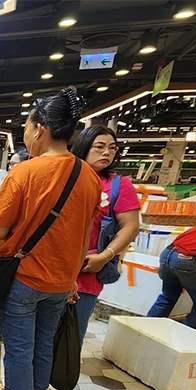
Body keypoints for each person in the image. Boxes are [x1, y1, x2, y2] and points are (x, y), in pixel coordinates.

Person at [0, 86, 101, 390]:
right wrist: (73, 277)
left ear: (40, 130)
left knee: (20, 351)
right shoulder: (89, 176)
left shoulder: (24, 171)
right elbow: (84, 236)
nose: (25, 136)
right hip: (62, 283)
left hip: (24, 278)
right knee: (43, 345)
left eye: (25, 129)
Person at [69, 125, 141, 342]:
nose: (107, 153)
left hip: (88, 268)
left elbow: (131, 227)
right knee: (43, 335)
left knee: (72, 334)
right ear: (84, 147)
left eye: (112, 148)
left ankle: (61, 376)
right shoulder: (67, 177)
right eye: (99, 147)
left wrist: (105, 256)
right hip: (54, 268)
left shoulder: (119, 185)